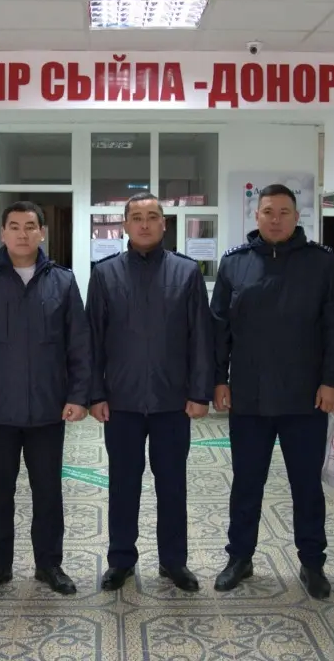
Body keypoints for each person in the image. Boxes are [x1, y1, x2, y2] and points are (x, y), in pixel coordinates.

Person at [209, 184, 334, 600]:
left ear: (297, 216)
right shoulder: (235, 263)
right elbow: (219, 329)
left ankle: (313, 562)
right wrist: (219, 380)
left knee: (306, 485)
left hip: (306, 397)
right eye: (268, 211)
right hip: (249, 397)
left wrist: (333, 381)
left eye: (284, 212)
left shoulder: (320, 263)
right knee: (246, 483)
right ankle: (240, 557)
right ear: (256, 215)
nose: (275, 219)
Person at [0, 200, 91, 597]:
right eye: (14, 226)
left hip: (48, 410)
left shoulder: (62, 282)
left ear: (42, 232)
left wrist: (78, 395)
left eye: (30, 226)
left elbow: (79, 346)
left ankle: (50, 565)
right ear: (2, 233)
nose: (22, 234)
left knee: (48, 492)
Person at [87, 192, 212, 593]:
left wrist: (200, 393)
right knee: (123, 484)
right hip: (120, 401)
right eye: (137, 217)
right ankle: (121, 560)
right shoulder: (105, 274)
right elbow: (93, 339)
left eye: (152, 217)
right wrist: (95, 394)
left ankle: (174, 562)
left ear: (164, 224)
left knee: (172, 485)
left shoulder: (186, 272)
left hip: (171, 401)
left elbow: (201, 337)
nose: (144, 224)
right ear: (124, 225)